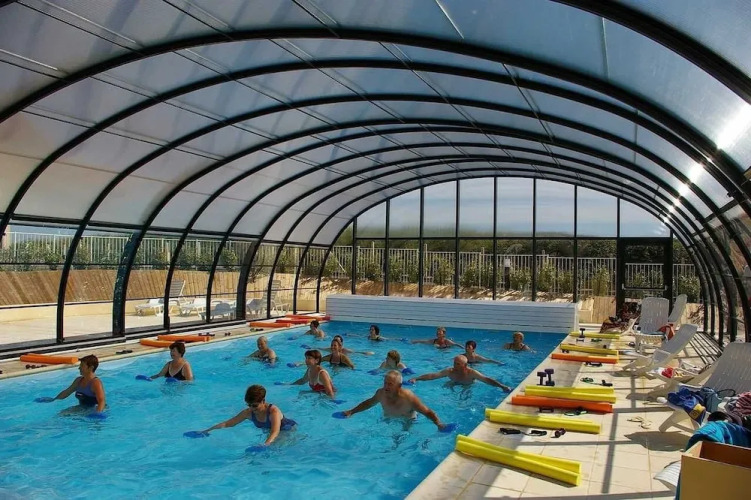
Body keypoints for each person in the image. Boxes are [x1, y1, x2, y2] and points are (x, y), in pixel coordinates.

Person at [339, 370, 451, 431]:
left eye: (390, 384)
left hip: (407, 422)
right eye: (385, 383)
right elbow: (368, 403)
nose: (386, 387)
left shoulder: (409, 397)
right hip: (388, 419)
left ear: (399, 386)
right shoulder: (381, 393)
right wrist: (351, 411)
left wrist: (439, 424)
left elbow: (427, 411)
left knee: (400, 439)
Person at [195, 384, 296, 448]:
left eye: (255, 405)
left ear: (263, 401)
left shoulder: (273, 411)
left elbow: (275, 431)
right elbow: (228, 423)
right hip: (270, 432)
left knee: (275, 450)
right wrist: (206, 431)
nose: (252, 408)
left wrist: (265, 445)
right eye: (249, 405)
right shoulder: (248, 412)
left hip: (287, 430)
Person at [38, 355, 106, 413]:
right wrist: (53, 399)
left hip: (94, 410)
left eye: (82, 366)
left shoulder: (96, 383)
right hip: (82, 408)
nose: (79, 368)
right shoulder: (78, 380)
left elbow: (101, 401)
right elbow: (67, 392)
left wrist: (98, 414)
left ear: (91, 368)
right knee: (62, 414)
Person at [409, 355, 511, 391]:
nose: (454, 366)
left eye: (457, 364)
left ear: (465, 365)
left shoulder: (472, 373)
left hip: (468, 385)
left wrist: (502, 386)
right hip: (454, 382)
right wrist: (416, 378)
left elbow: (487, 380)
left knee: (465, 395)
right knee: (446, 387)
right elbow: (433, 375)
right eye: (454, 363)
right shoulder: (450, 371)